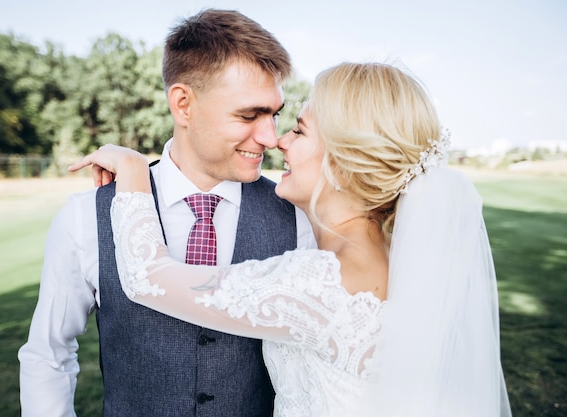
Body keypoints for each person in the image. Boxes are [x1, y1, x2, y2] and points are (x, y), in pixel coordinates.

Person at [70, 62, 513, 417]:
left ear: (342, 163)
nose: (279, 140)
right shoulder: (403, 260)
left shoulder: (318, 282)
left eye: (299, 130)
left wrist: (132, 171)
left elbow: (147, 279)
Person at [18, 8, 315, 417]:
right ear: (183, 105)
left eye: (274, 114)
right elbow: (48, 356)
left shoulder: (297, 217)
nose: (269, 137)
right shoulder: (85, 217)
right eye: (248, 115)